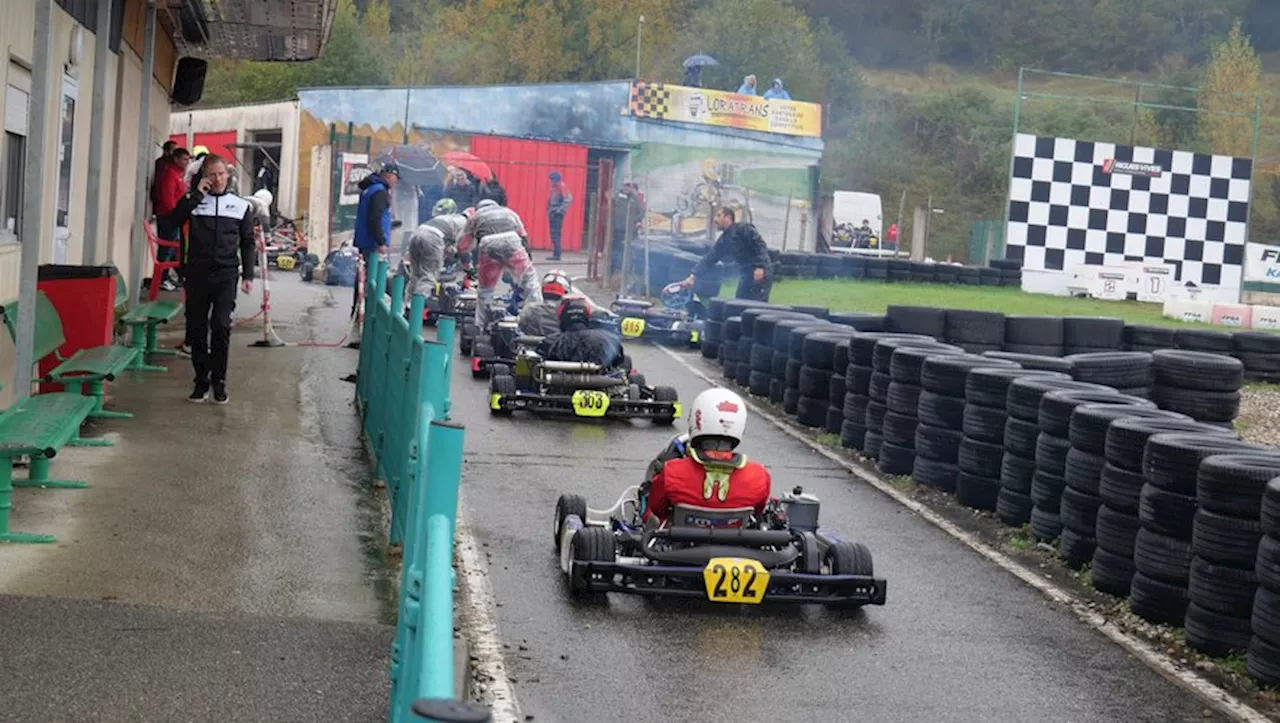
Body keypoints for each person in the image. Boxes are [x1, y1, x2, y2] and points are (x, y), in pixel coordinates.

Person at [159, 155, 256, 405]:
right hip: (197, 273)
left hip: (226, 274)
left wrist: (248, 275)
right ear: (204, 176)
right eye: (212, 174)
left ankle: (219, 381)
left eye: (221, 174)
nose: (217, 179)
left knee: (221, 326)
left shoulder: (240, 205)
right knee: (197, 329)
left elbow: (247, 242)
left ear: (228, 175)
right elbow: (172, 221)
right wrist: (195, 196)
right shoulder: (194, 202)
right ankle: (201, 380)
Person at [643, 388, 771, 525]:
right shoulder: (758, 476)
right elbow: (758, 513)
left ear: (697, 419)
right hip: (736, 543)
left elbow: (657, 508)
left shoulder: (672, 471)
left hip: (682, 543)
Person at [460, 199, 541, 327]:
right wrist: (528, 260)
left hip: (488, 243)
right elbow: (523, 237)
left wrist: (468, 266)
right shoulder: (509, 212)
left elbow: (463, 245)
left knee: (485, 289)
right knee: (530, 281)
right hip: (511, 240)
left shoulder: (475, 216)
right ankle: (537, 317)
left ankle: (481, 325)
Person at [680, 206, 773, 302]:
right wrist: (692, 277)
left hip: (761, 271)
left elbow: (760, 245)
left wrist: (760, 267)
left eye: (719, 215)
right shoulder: (724, 240)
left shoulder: (744, 228)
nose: (715, 220)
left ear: (728, 217)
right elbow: (709, 258)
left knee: (757, 304)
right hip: (746, 273)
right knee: (738, 303)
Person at [398, 202, 469, 312]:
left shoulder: (450, 218)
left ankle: (405, 305)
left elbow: (448, 246)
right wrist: (467, 265)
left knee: (415, 276)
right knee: (428, 276)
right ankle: (415, 308)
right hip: (432, 238)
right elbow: (462, 247)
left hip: (417, 234)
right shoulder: (466, 224)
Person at [352, 162, 400, 320]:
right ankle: (367, 313)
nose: (396, 182)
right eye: (395, 178)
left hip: (366, 240)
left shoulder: (371, 188)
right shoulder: (379, 192)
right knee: (371, 280)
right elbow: (375, 218)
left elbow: (374, 216)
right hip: (372, 244)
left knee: (363, 278)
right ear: (389, 175)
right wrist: (381, 241)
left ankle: (359, 309)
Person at [537, 297, 624, 369]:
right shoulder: (608, 339)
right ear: (587, 316)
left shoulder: (550, 342)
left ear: (562, 317)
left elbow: (539, 364)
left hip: (563, 387)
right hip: (599, 386)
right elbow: (619, 362)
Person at [152, 147, 190, 292]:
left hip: (175, 217)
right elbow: (168, 198)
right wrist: (175, 214)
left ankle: (169, 277)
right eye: (184, 159)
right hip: (168, 217)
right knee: (166, 249)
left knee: (173, 249)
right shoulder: (171, 174)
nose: (187, 163)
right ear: (176, 159)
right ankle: (162, 279)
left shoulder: (179, 174)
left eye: (188, 160)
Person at [517, 270, 571, 336]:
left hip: (533, 344)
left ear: (543, 291)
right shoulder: (570, 313)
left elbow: (520, 326)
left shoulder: (530, 309)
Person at [547, 171, 572, 262]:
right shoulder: (555, 188)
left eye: (551, 179)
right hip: (552, 213)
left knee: (556, 234)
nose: (551, 181)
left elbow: (568, 199)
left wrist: (560, 210)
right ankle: (555, 254)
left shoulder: (561, 186)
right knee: (554, 234)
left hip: (557, 214)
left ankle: (557, 254)